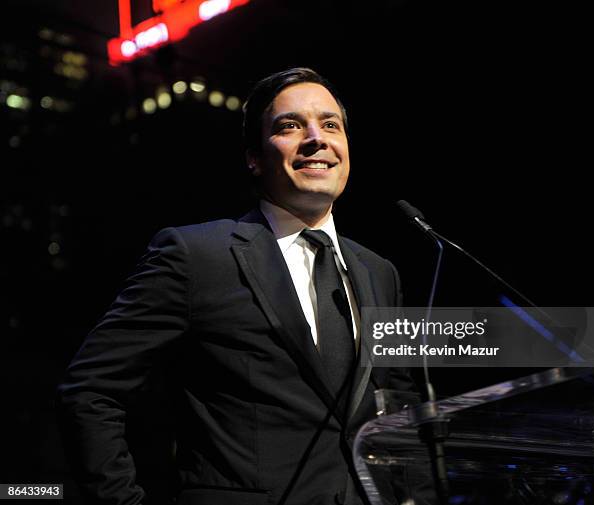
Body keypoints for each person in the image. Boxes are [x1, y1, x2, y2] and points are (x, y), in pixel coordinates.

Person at [56, 67, 415, 505]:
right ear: (254, 156)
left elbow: (398, 403)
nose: (316, 138)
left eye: (330, 124)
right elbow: (90, 391)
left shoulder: (380, 272)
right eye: (289, 126)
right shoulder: (196, 255)